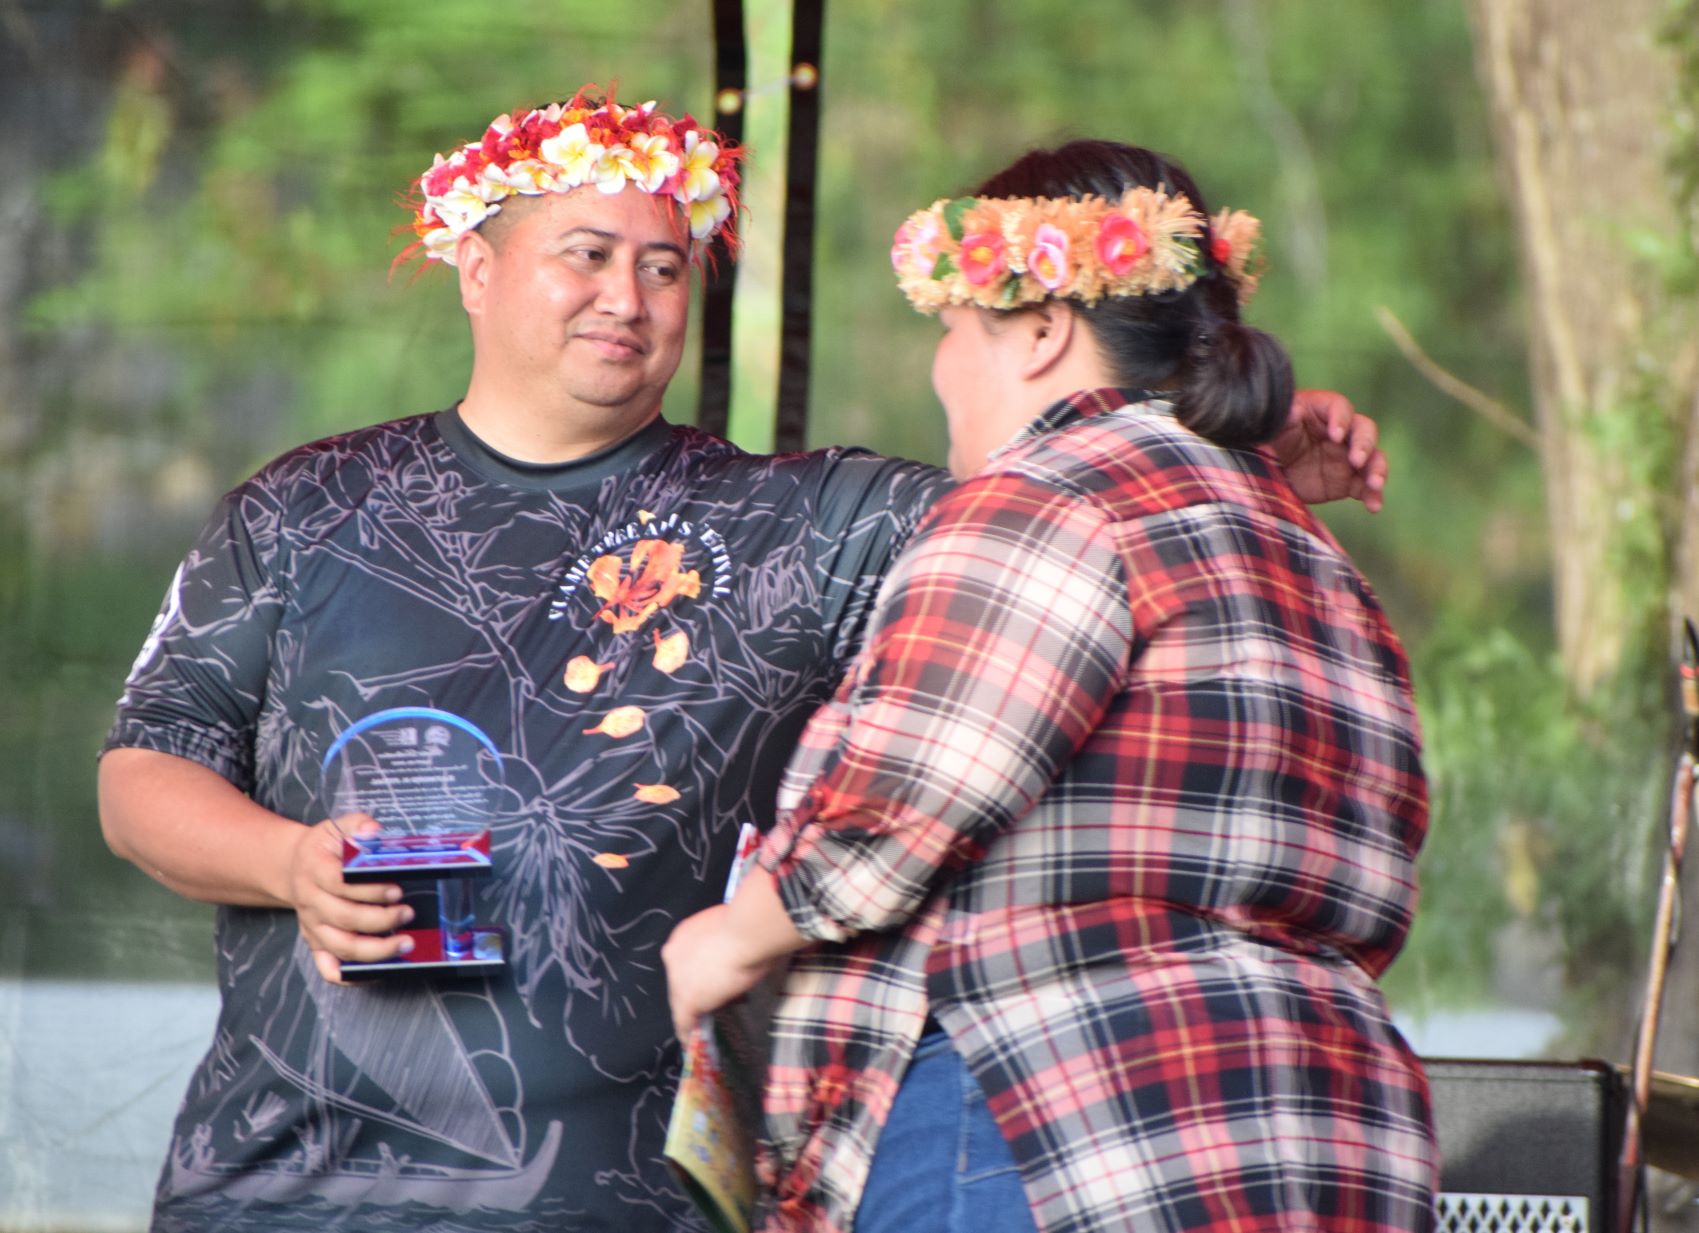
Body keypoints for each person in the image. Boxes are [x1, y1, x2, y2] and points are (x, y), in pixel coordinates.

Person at [98, 85, 1391, 1233]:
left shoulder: (802, 519)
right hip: (278, 1187)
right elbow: (142, 770)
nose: (629, 295)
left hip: (621, 1201)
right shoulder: (304, 507)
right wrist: (289, 862)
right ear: (475, 268)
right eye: (587, 255)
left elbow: (1056, 524)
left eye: (666, 268)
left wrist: (1242, 449)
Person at [662, 139, 1436, 1233]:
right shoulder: (1306, 548)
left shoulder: (1052, 495)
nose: (939, 370)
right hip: (1321, 1138)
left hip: (1061, 1120)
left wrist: (730, 937)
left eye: (947, 330)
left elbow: (910, 795)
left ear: (1037, 330)